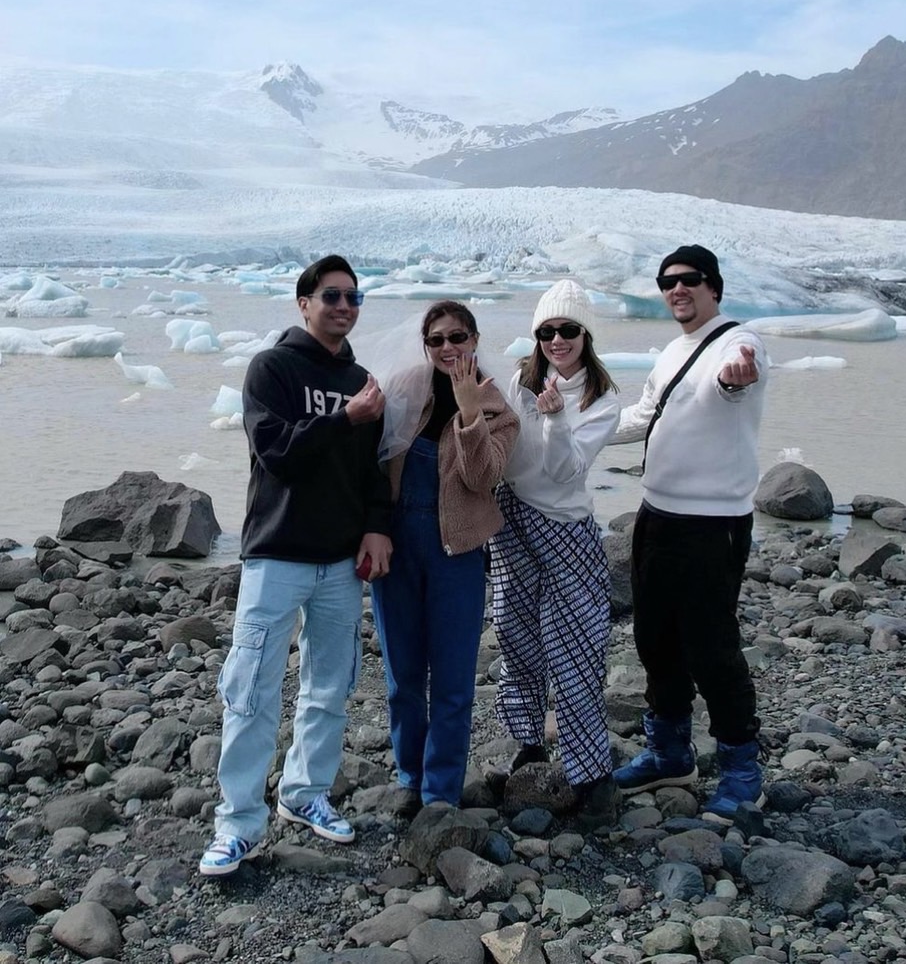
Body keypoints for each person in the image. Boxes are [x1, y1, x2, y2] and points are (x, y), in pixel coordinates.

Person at [199, 255, 391, 878]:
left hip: (340, 561)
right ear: (303, 302)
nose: (343, 306)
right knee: (251, 690)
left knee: (329, 687)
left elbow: (371, 473)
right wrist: (342, 419)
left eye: (352, 297)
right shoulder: (272, 368)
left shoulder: (361, 379)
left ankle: (306, 794)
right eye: (331, 295)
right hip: (276, 555)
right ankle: (238, 823)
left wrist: (376, 527)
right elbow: (276, 451)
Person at [610, 244, 770, 818]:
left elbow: (737, 379)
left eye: (690, 280)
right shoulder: (673, 350)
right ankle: (670, 752)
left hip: (713, 523)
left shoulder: (737, 343)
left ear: (714, 287)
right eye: (668, 281)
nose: (677, 289)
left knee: (712, 646)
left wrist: (736, 378)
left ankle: (740, 767)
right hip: (657, 514)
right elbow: (645, 414)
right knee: (654, 637)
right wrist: (570, 430)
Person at [369, 301, 518, 811]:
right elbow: (371, 461)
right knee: (403, 677)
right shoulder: (404, 389)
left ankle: (440, 793)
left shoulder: (498, 407)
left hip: (458, 552)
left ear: (474, 339)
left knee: (453, 681)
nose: (448, 348)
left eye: (458, 337)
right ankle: (411, 776)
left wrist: (470, 411)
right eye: (437, 340)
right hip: (398, 546)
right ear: (425, 345)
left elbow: (483, 477)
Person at [493, 279, 621, 824]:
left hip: (564, 526)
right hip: (513, 516)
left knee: (574, 647)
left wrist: (553, 418)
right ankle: (528, 742)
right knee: (513, 630)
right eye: (547, 331)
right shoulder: (521, 379)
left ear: (585, 334)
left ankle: (592, 773)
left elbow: (565, 470)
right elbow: (498, 442)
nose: (556, 340)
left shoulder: (601, 398)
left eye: (567, 330)